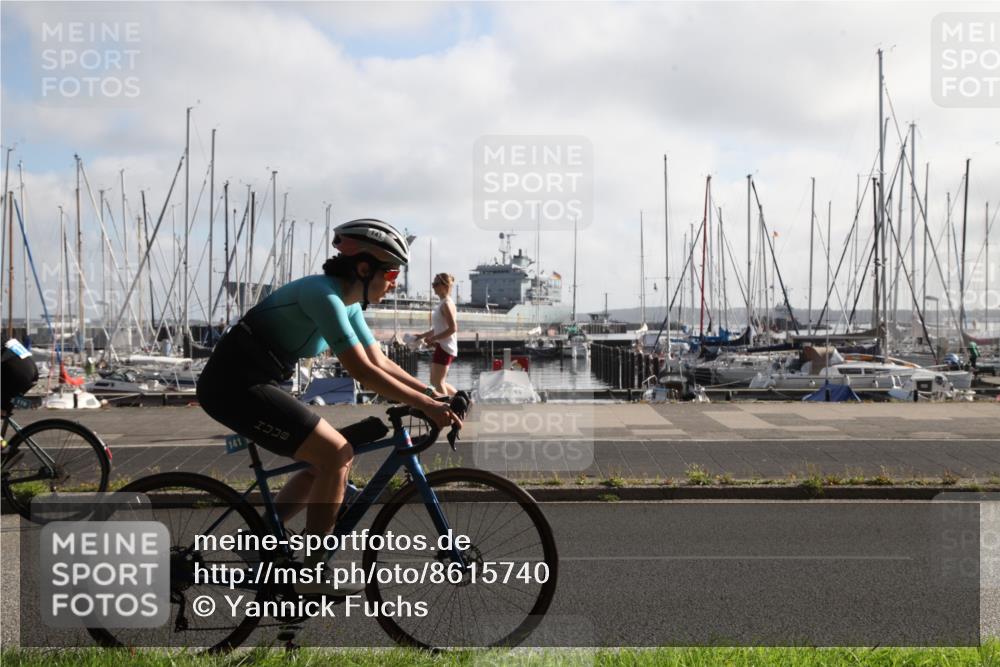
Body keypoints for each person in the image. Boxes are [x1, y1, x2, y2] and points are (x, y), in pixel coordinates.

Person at [196, 219, 461, 590]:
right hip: (233, 386)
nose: (395, 282)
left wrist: (435, 397)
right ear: (364, 268)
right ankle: (312, 571)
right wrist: (426, 404)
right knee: (335, 453)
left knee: (322, 464)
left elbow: (380, 363)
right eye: (392, 272)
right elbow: (362, 374)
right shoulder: (324, 297)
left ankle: (254, 541)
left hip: (257, 381)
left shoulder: (349, 304)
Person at [416, 273, 458, 396]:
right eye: (433, 284)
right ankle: (462, 400)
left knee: (437, 382)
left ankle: (448, 409)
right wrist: (422, 336)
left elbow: (453, 328)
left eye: (435, 284)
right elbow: (439, 328)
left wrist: (433, 339)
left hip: (445, 347)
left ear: (444, 286)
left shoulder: (446, 304)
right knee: (438, 382)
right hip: (444, 346)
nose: (433, 287)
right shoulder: (444, 303)